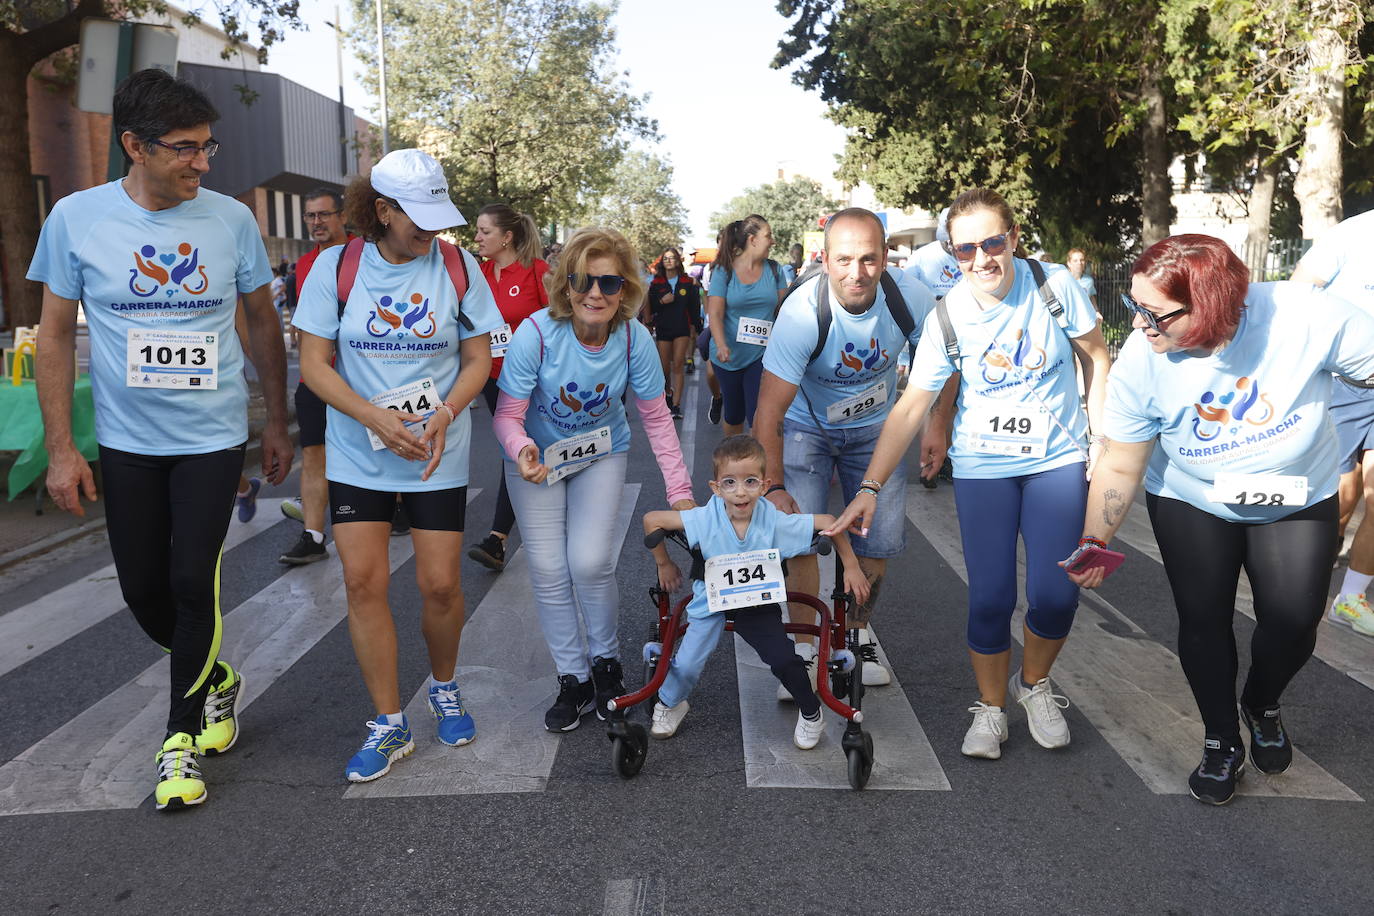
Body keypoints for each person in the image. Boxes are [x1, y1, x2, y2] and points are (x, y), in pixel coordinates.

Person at [29, 68, 292, 810]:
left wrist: (273, 417)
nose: (202, 164)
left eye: (209, 147)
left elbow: (262, 323)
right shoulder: (76, 220)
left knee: (188, 581)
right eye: (186, 149)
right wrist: (61, 447)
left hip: (210, 435)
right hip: (126, 439)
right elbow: (52, 337)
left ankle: (179, 741)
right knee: (143, 589)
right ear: (133, 147)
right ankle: (215, 676)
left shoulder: (231, 220)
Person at [1064, 234, 1374, 804]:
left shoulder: (1305, 316)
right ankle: (1221, 739)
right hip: (1192, 498)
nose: (1137, 325)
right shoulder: (1141, 361)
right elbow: (1122, 462)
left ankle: (1260, 702)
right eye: (1133, 306)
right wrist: (1095, 537)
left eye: (1152, 313)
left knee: (1294, 623)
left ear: (1208, 305)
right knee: (1203, 619)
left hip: (1297, 494)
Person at [826, 188, 1111, 760]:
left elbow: (1098, 358)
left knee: (1056, 594)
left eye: (993, 242)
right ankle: (991, 708)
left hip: (1056, 459)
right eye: (965, 250)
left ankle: (1034, 687)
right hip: (984, 464)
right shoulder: (949, 312)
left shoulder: (1055, 286)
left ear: (1014, 239)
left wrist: (1100, 440)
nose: (981, 258)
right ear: (952, 254)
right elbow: (911, 405)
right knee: (990, 597)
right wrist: (868, 487)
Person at [292, 149, 503, 783]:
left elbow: (476, 360)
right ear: (382, 211)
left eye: (439, 220)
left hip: (437, 451)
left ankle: (444, 685)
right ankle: (388, 722)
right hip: (360, 451)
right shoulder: (336, 269)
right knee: (363, 584)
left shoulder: (460, 267)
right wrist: (374, 418)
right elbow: (314, 366)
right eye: (418, 221)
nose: (432, 233)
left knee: (440, 585)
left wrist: (444, 414)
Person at [492, 227, 695, 732]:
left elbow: (656, 420)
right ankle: (573, 679)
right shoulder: (536, 334)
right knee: (548, 569)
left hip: (601, 454)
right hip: (539, 460)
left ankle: (606, 667)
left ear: (625, 290)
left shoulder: (633, 340)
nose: (595, 293)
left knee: (589, 562)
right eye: (585, 280)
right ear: (566, 285)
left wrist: (682, 494)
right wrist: (521, 449)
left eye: (610, 283)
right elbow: (505, 416)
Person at [754, 207, 938, 692]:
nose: (857, 273)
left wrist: (939, 427)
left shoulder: (910, 298)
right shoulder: (800, 313)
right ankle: (803, 646)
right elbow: (768, 413)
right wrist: (771, 487)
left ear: (885, 257)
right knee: (801, 538)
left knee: (875, 541)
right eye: (844, 260)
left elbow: (943, 366)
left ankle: (854, 639)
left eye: (869, 259)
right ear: (826, 259)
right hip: (805, 429)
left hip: (878, 430)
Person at [643, 435, 869, 746]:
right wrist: (664, 564)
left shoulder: (773, 521)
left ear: (764, 485)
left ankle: (811, 713)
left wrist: (852, 565)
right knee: (687, 662)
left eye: (750, 482)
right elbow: (652, 519)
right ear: (715, 488)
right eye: (730, 483)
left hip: (757, 601)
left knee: (784, 659)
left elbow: (828, 522)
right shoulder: (704, 517)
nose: (740, 492)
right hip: (712, 599)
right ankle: (670, 702)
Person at [1291, 210, 1374, 637]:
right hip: (1344, 384)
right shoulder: (1355, 232)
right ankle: (1310, 575)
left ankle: (1351, 598)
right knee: (1342, 500)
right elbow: (1297, 293)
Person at [467, 204, 550, 572]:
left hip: (531, 376)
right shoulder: (477, 273)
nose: (478, 238)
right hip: (491, 374)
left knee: (517, 449)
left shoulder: (537, 271)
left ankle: (498, 538)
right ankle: (502, 537)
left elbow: (559, 323)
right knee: (513, 449)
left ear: (507, 236)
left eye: (485, 231)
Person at [279, 187, 355, 566]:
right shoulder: (304, 266)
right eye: (311, 216)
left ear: (342, 216)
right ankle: (313, 535)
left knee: (375, 447)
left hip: (362, 376)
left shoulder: (367, 254)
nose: (317, 222)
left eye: (324, 214)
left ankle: (398, 506)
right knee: (313, 453)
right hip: (316, 377)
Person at [706, 215, 789, 435]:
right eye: (768, 236)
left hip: (762, 354)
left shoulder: (774, 269)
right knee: (734, 414)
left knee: (757, 413)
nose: (773, 241)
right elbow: (714, 312)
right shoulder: (724, 271)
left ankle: (757, 465)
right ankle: (732, 463)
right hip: (729, 355)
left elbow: (785, 311)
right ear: (752, 240)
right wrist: (722, 345)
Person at [645, 247, 701, 421]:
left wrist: (696, 327)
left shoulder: (687, 281)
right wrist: (662, 301)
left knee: (678, 364)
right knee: (664, 368)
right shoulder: (656, 283)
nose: (669, 261)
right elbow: (651, 306)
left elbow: (694, 307)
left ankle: (676, 406)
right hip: (663, 328)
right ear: (662, 262)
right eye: (666, 258)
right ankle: (668, 392)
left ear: (678, 260)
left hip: (682, 328)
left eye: (672, 258)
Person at [905, 207, 962, 301]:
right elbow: (907, 291)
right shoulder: (920, 257)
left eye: (954, 241)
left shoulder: (972, 253)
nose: (951, 246)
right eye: (947, 241)